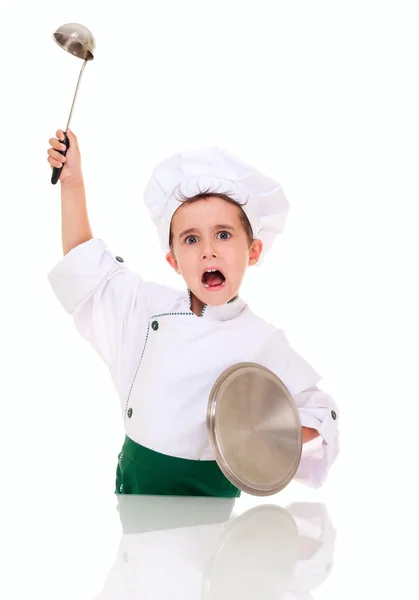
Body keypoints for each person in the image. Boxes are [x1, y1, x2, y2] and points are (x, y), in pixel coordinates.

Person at [47, 128, 339, 497]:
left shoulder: (263, 340)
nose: (208, 251)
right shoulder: (143, 308)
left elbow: (320, 414)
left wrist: (262, 433)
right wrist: (72, 182)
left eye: (223, 234)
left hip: (211, 499)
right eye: (190, 239)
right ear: (173, 261)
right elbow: (86, 267)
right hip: (137, 489)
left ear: (253, 251)